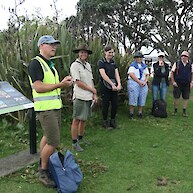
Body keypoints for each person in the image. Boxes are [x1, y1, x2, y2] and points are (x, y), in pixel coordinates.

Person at [28, 35, 72, 187]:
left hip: (54, 107)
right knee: (54, 141)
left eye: (55, 44)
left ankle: (43, 161)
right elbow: (38, 87)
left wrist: (63, 82)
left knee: (48, 137)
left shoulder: (50, 65)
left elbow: (52, 85)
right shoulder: (36, 63)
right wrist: (61, 85)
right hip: (46, 110)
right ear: (41, 46)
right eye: (50, 44)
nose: (54, 47)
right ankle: (43, 171)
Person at [70, 44, 97, 152]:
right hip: (80, 96)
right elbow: (78, 82)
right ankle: (74, 142)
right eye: (81, 52)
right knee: (76, 119)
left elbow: (91, 80)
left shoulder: (88, 65)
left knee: (83, 119)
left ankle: (81, 139)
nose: (83, 54)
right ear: (78, 53)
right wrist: (92, 90)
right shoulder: (75, 65)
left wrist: (94, 93)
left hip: (88, 96)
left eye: (85, 52)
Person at [98, 45, 121, 129]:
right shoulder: (101, 62)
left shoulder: (113, 62)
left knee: (115, 104)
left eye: (112, 52)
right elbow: (103, 75)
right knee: (105, 104)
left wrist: (119, 84)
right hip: (105, 85)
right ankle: (105, 122)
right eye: (109, 52)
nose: (111, 54)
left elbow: (116, 73)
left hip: (114, 85)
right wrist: (111, 84)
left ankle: (112, 121)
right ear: (105, 52)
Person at [127, 51, 149, 119]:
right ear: (135, 58)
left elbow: (147, 74)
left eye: (140, 57)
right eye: (138, 57)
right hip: (134, 82)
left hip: (142, 82)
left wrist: (145, 81)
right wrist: (138, 81)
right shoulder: (132, 66)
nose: (139, 58)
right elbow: (131, 74)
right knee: (133, 97)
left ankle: (140, 112)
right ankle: (131, 113)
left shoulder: (144, 66)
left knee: (142, 97)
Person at [170, 50, 193, 116]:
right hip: (178, 83)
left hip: (186, 84)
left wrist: (191, 82)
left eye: (185, 56)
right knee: (176, 97)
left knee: (186, 98)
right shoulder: (177, 63)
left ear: (187, 57)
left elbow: (192, 74)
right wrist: (173, 82)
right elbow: (172, 73)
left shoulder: (191, 64)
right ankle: (175, 111)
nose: (183, 57)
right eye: (182, 56)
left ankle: (184, 111)